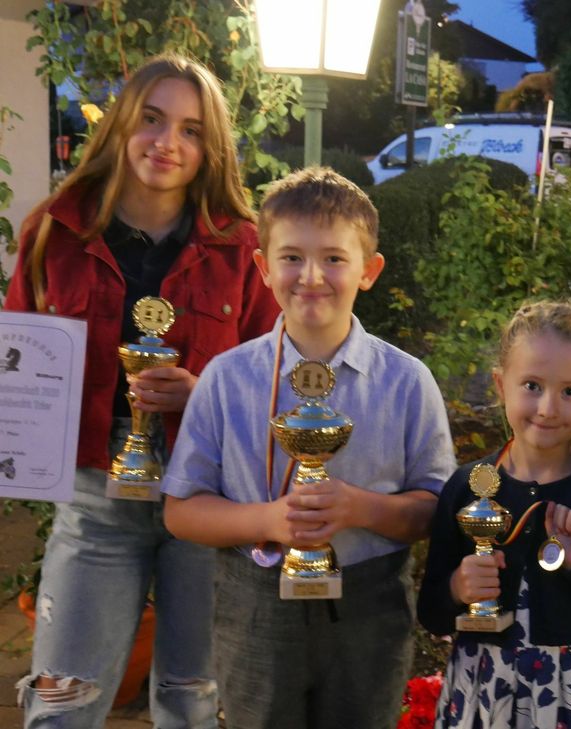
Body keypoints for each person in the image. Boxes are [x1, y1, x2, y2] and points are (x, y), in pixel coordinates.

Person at [4, 54, 279, 727]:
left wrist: (203, 394)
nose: (168, 142)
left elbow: (274, 377)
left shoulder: (243, 246)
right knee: (60, 700)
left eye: (190, 129)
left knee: (195, 701)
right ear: (123, 122)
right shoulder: (56, 231)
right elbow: (19, 363)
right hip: (97, 497)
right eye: (152, 120)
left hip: (207, 497)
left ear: (209, 146)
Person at [161, 165, 456, 729]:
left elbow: (436, 508)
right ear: (262, 267)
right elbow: (181, 512)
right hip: (255, 602)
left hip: (369, 608)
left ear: (369, 271)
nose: (311, 276)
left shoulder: (406, 381)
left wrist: (360, 508)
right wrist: (270, 519)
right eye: (292, 256)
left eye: (335, 259)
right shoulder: (226, 379)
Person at [419, 300, 571, 729]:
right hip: (482, 691)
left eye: (570, 391)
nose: (548, 407)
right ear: (500, 384)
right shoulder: (466, 487)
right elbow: (432, 614)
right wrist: (458, 586)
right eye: (531, 385)